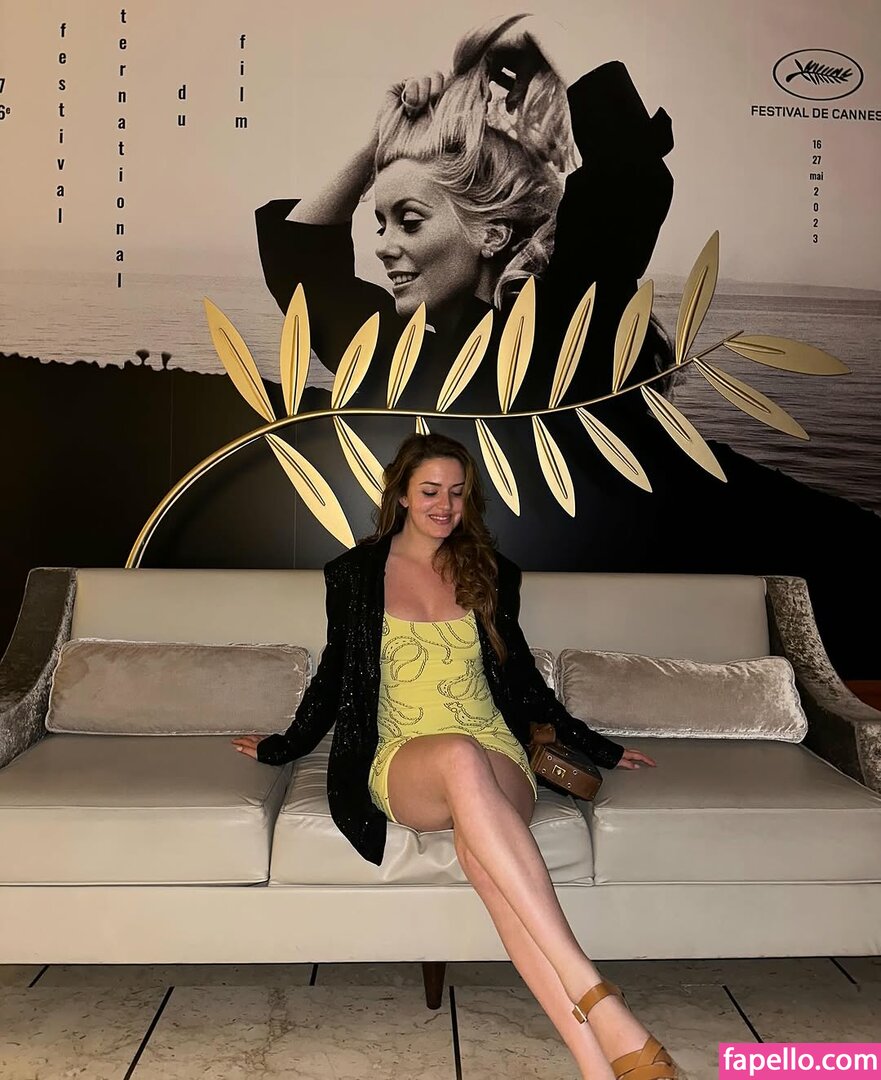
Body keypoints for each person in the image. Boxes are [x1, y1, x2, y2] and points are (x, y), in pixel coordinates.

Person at [233, 432, 678, 1080]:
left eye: (457, 492)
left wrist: (600, 748)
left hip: (494, 751)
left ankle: (595, 1062)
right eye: (430, 491)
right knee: (457, 759)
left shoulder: (487, 572)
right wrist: (281, 746)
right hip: (405, 760)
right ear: (401, 496)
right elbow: (333, 678)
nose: (444, 505)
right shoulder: (355, 576)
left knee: (487, 853)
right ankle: (598, 997)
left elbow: (524, 684)